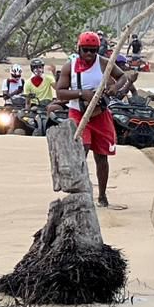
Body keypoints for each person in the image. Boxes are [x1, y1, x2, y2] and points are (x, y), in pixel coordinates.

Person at [56, 30, 118, 207]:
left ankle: (102, 195)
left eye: (93, 50)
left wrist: (115, 89)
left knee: (101, 157)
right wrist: (82, 94)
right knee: (80, 152)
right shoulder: (70, 66)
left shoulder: (104, 63)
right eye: (85, 50)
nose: (89, 54)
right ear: (79, 49)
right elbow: (60, 92)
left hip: (100, 116)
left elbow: (122, 77)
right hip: (78, 114)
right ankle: (80, 192)